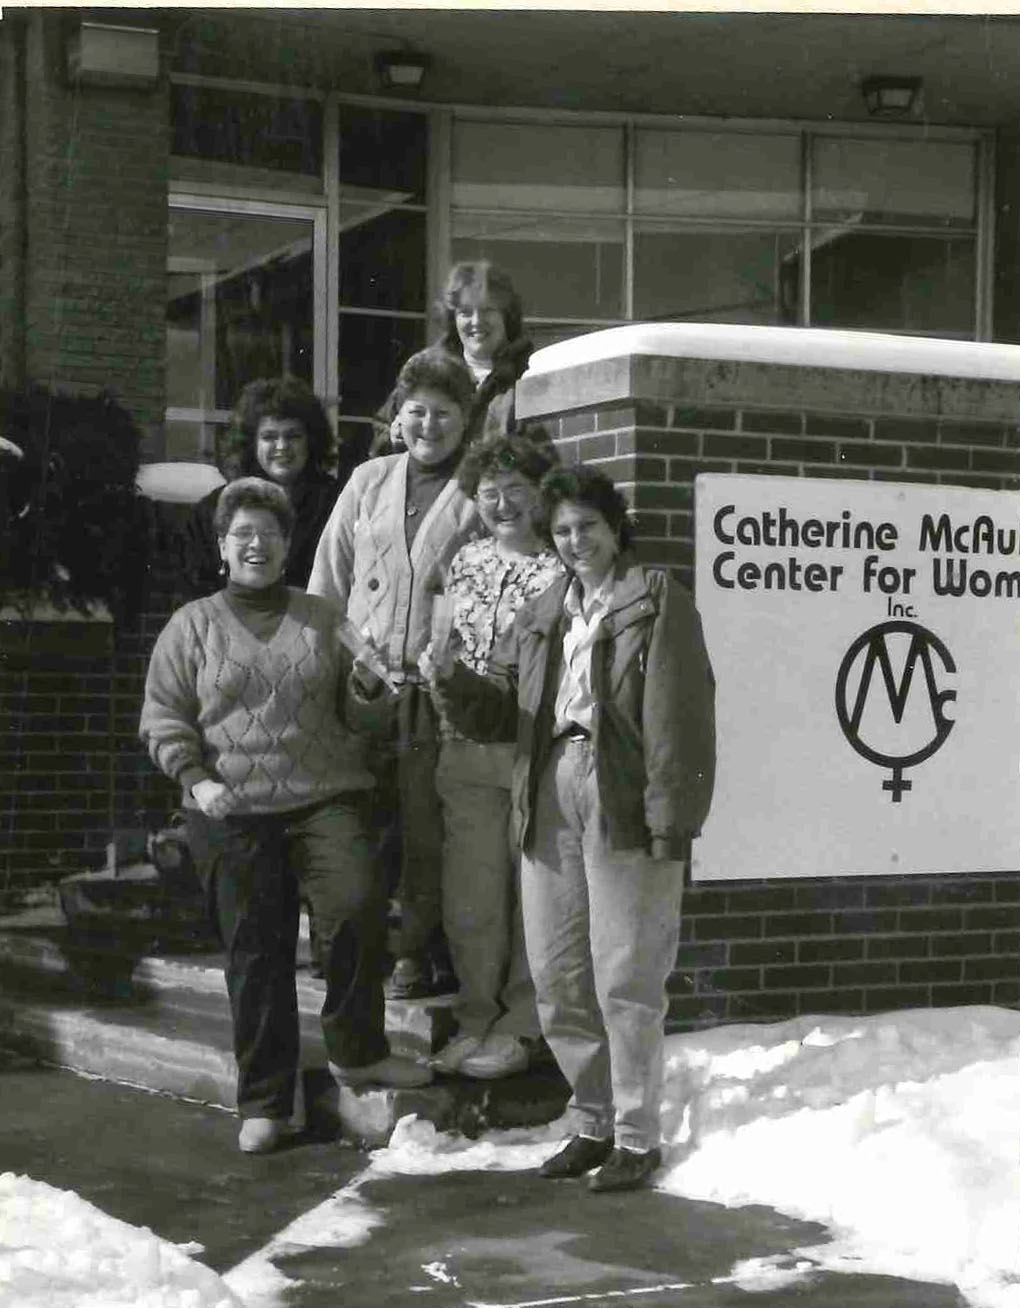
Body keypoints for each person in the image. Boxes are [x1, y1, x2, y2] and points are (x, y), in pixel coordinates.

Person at [422, 466, 716, 1192]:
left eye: (588, 525)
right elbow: (507, 714)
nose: (576, 540)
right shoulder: (548, 608)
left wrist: (670, 822)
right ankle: (590, 1121)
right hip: (548, 784)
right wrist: (451, 680)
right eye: (562, 531)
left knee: (626, 972)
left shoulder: (656, 600)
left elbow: (682, 720)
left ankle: (637, 1134)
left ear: (615, 528)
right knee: (557, 974)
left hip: (620, 790)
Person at [141, 477, 431, 1157]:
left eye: (268, 535)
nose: (256, 545)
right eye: (242, 533)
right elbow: (163, 717)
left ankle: (357, 1051)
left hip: (324, 793)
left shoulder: (325, 618)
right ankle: (267, 1099)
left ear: (287, 546)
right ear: (221, 546)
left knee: (357, 904)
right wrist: (195, 779)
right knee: (257, 944)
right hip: (230, 805)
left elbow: (364, 712)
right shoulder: (192, 625)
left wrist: (369, 691)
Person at [308, 348, 481, 1000]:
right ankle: (349, 951)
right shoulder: (367, 481)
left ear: (465, 420)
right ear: (398, 416)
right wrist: (336, 666)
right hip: (364, 685)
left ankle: (415, 954)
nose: (429, 425)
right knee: (356, 826)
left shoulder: (474, 491)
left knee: (424, 832)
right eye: (417, 412)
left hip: (436, 691)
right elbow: (329, 582)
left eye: (444, 413)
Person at [427, 429, 563, 1081]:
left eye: (516, 491)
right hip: (464, 748)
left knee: (530, 891)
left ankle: (522, 1023)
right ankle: (475, 1017)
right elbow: (446, 640)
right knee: (472, 895)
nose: (503, 504)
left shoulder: (560, 567)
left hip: (531, 748)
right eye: (490, 493)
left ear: (539, 495)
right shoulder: (464, 562)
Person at [182, 376, 357, 600]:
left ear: (311, 440)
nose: (282, 447)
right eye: (269, 437)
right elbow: (197, 590)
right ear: (251, 443)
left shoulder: (339, 504)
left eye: (293, 436)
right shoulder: (213, 509)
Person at [372, 261, 531, 456]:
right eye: (465, 312)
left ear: (507, 315)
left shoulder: (530, 374)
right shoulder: (426, 370)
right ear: (452, 318)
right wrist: (393, 437)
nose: (476, 322)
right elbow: (380, 436)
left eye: (487, 310)